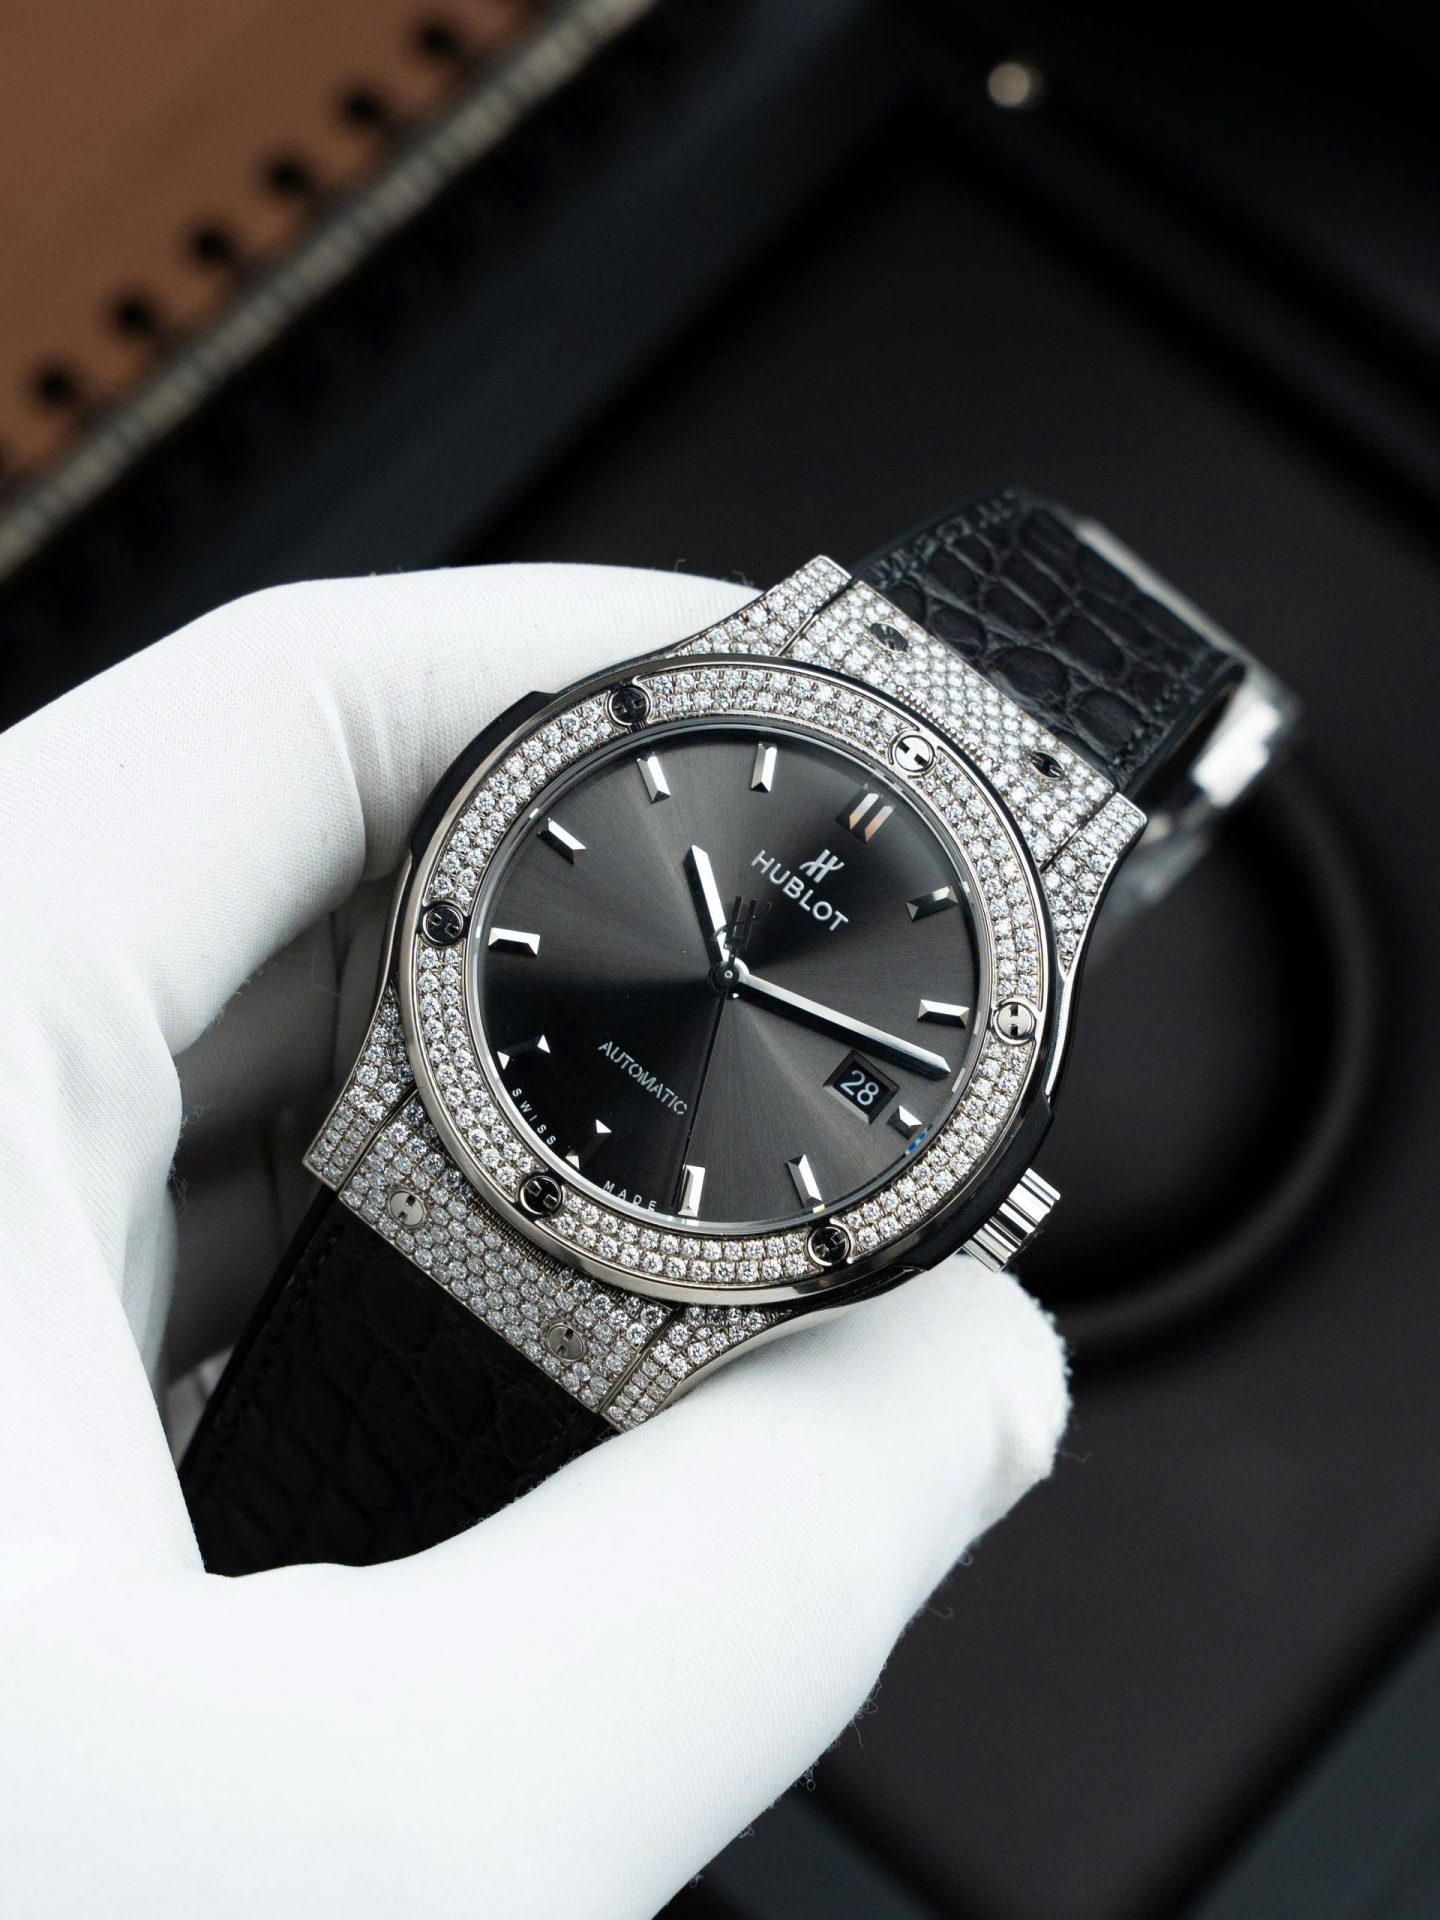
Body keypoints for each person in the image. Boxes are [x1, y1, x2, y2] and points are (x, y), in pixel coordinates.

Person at [0, 563, 1066, 1917]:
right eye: (722, 956)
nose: (731, 978)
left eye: (752, 982)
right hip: (438, 1132)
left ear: (991, 1198)